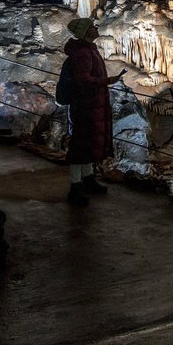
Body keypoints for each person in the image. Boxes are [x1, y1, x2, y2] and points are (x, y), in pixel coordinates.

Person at [57, 18, 123, 205]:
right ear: (85, 32)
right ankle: (75, 186)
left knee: (88, 143)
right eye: (92, 26)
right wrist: (107, 81)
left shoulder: (88, 50)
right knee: (80, 145)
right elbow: (83, 80)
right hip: (85, 105)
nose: (96, 28)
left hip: (93, 104)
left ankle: (88, 178)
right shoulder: (83, 54)